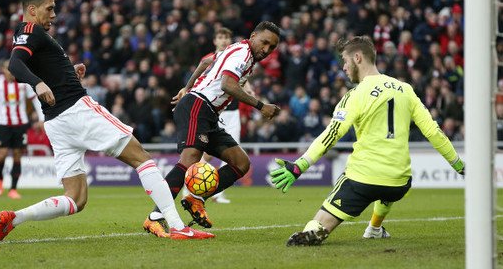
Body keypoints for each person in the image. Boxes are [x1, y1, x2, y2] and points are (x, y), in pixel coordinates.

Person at [0, 0, 214, 241]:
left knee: (76, 199)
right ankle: (177, 227)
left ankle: (14, 218)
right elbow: (15, 64)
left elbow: (35, 66)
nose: (53, 14)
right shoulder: (30, 29)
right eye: (49, 8)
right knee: (142, 158)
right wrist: (38, 84)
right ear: (32, 9)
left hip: (57, 122)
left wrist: (70, 72)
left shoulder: (32, 35)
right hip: (77, 111)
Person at [270, 36, 465, 246]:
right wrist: (460, 166)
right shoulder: (405, 89)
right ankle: (374, 228)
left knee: (320, 221)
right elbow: (434, 132)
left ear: (357, 58)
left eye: (345, 61)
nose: (343, 68)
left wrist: (301, 164)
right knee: (388, 187)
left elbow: (332, 134)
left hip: (362, 180)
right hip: (399, 182)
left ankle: (314, 229)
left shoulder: (355, 94)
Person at [143, 21, 281, 237]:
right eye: (264, 43)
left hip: (208, 113)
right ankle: (156, 217)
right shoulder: (242, 54)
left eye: (272, 47)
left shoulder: (238, 51)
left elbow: (207, 61)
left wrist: (187, 87)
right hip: (198, 106)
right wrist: (260, 106)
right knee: (189, 160)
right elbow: (227, 84)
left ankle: (196, 199)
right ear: (253, 36)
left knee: (241, 162)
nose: (267, 50)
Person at [178, 27, 250, 204]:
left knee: (233, 153)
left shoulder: (237, 58)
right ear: (214, 41)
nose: (224, 40)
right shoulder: (211, 59)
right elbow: (201, 79)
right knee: (205, 153)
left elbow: (240, 83)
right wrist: (187, 89)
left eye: (227, 37)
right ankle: (192, 186)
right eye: (220, 37)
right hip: (211, 110)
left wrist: (250, 92)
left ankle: (216, 193)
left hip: (232, 112)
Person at [0, 59, 45, 199]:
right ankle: (0, 178)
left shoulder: (23, 82)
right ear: (3, 70)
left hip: (20, 123)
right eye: (7, 69)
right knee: (2, 154)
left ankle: (13, 189)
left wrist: (41, 119)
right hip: (3, 123)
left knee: (17, 154)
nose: (10, 72)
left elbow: (35, 99)